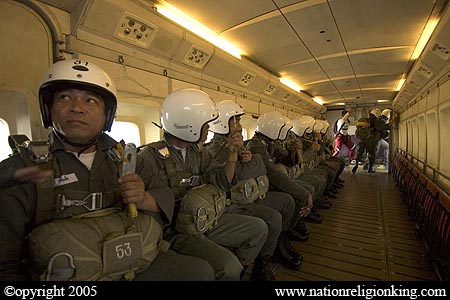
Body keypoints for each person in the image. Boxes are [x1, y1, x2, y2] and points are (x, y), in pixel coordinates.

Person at [0, 59, 215, 281]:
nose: (77, 107)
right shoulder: (22, 169)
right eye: (65, 97)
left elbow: (165, 199)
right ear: (48, 108)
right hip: (73, 275)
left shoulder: (127, 159)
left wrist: (142, 199)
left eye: (90, 100)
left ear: (107, 114)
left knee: (200, 272)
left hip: (132, 259)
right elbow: (6, 262)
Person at [138, 89, 269, 281]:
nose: (209, 130)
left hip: (206, 216)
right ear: (189, 125)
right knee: (229, 267)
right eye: (205, 125)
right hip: (176, 229)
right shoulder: (149, 158)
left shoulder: (199, 153)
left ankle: (244, 273)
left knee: (259, 228)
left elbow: (223, 182)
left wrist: (233, 154)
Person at [205, 100, 303, 274]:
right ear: (222, 123)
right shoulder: (214, 150)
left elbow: (258, 169)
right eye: (234, 121)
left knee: (287, 202)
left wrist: (250, 160)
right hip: (234, 203)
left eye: (239, 121)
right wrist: (250, 160)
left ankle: (277, 243)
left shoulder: (238, 146)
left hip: (250, 194)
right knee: (272, 218)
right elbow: (235, 178)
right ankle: (262, 263)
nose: (239, 125)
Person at [245, 111, 314, 240]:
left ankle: (292, 226)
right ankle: (285, 233)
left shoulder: (270, 143)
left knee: (306, 190)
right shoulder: (256, 147)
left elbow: (286, 160)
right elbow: (273, 175)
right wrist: (303, 193)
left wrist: (293, 151)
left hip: (270, 183)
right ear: (272, 129)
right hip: (265, 187)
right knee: (296, 197)